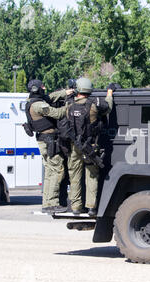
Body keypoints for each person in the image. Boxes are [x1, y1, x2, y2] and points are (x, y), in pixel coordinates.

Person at [66, 78, 114, 216]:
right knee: (91, 176)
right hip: (91, 145)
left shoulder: (69, 105)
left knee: (74, 176)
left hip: (75, 146)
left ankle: (75, 207)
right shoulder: (94, 104)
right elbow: (108, 107)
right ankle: (91, 207)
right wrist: (109, 92)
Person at [25, 79, 74, 214]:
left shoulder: (33, 101)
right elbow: (57, 113)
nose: (45, 88)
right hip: (49, 141)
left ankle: (47, 203)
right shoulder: (39, 106)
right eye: (42, 87)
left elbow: (49, 97)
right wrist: (71, 106)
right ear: (37, 89)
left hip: (45, 140)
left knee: (49, 172)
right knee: (57, 171)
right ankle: (52, 203)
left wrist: (65, 92)